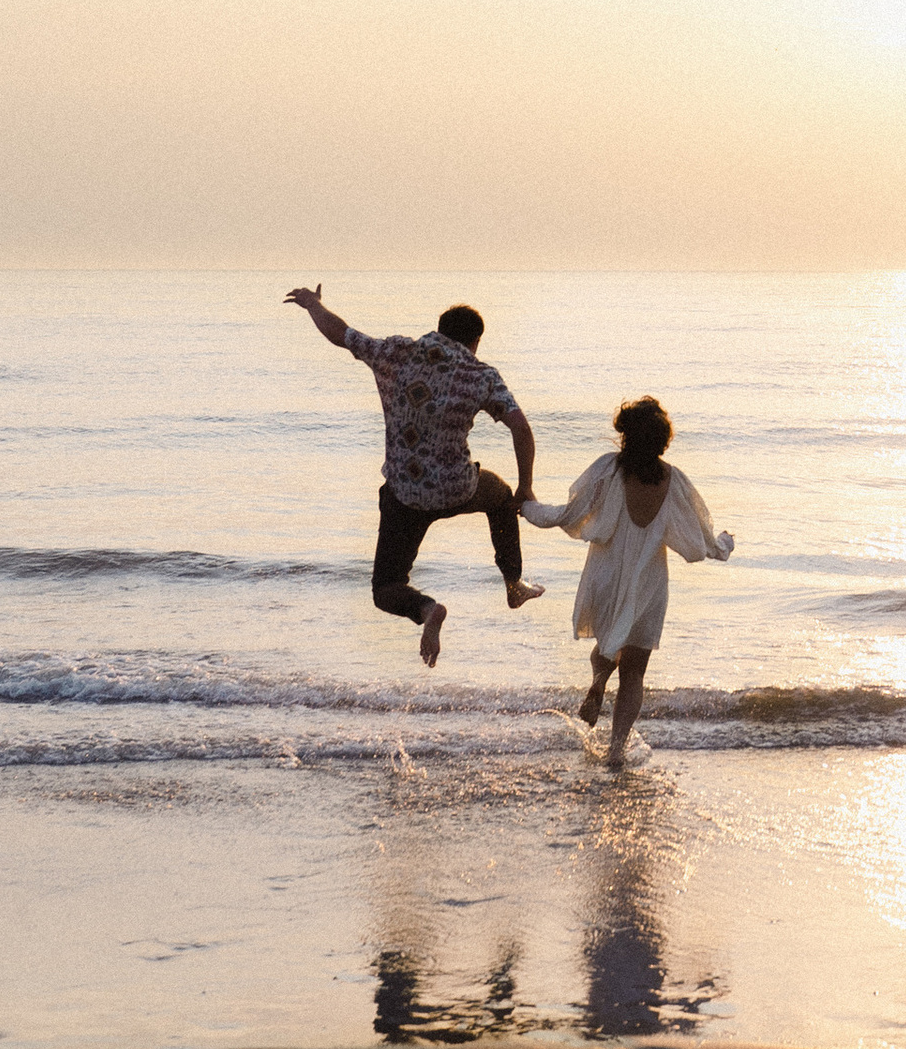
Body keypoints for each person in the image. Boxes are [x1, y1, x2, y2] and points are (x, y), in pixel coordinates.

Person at [286, 284, 543, 668]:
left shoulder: (394, 352)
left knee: (386, 588)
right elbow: (521, 430)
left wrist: (313, 304)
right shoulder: (481, 374)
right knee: (503, 495)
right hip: (458, 487)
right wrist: (526, 487)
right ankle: (513, 584)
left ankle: (426, 610)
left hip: (405, 493)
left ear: (439, 329)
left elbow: (340, 333)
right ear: (475, 342)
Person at [529, 395, 731, 766]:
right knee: (635, 671)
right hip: (649, 584)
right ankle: (616, 750)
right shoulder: (674, 480)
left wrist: (528, 506)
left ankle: (597, 685)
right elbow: (698, 538)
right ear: (662, 441)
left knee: (607, 646)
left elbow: (571, 513)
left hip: (606, 574)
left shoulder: (608, 471)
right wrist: (723, 545)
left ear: (625, 436)